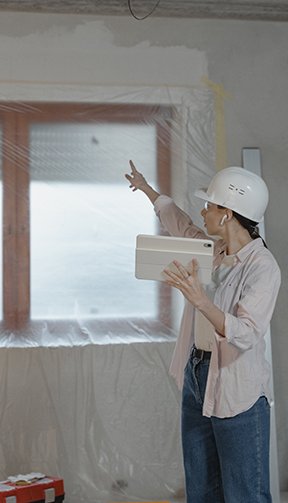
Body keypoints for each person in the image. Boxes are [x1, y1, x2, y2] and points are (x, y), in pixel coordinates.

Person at [125, 160, 281, 503]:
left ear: (227, 214)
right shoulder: (213, 251)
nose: (203, 211)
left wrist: (199, 299)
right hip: (197, 375)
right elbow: (180, 223)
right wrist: (147, 188)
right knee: (202, 488)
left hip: (236, 386)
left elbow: (246, 332)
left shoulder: (262, 267)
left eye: (210, 205)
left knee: (244, 493)